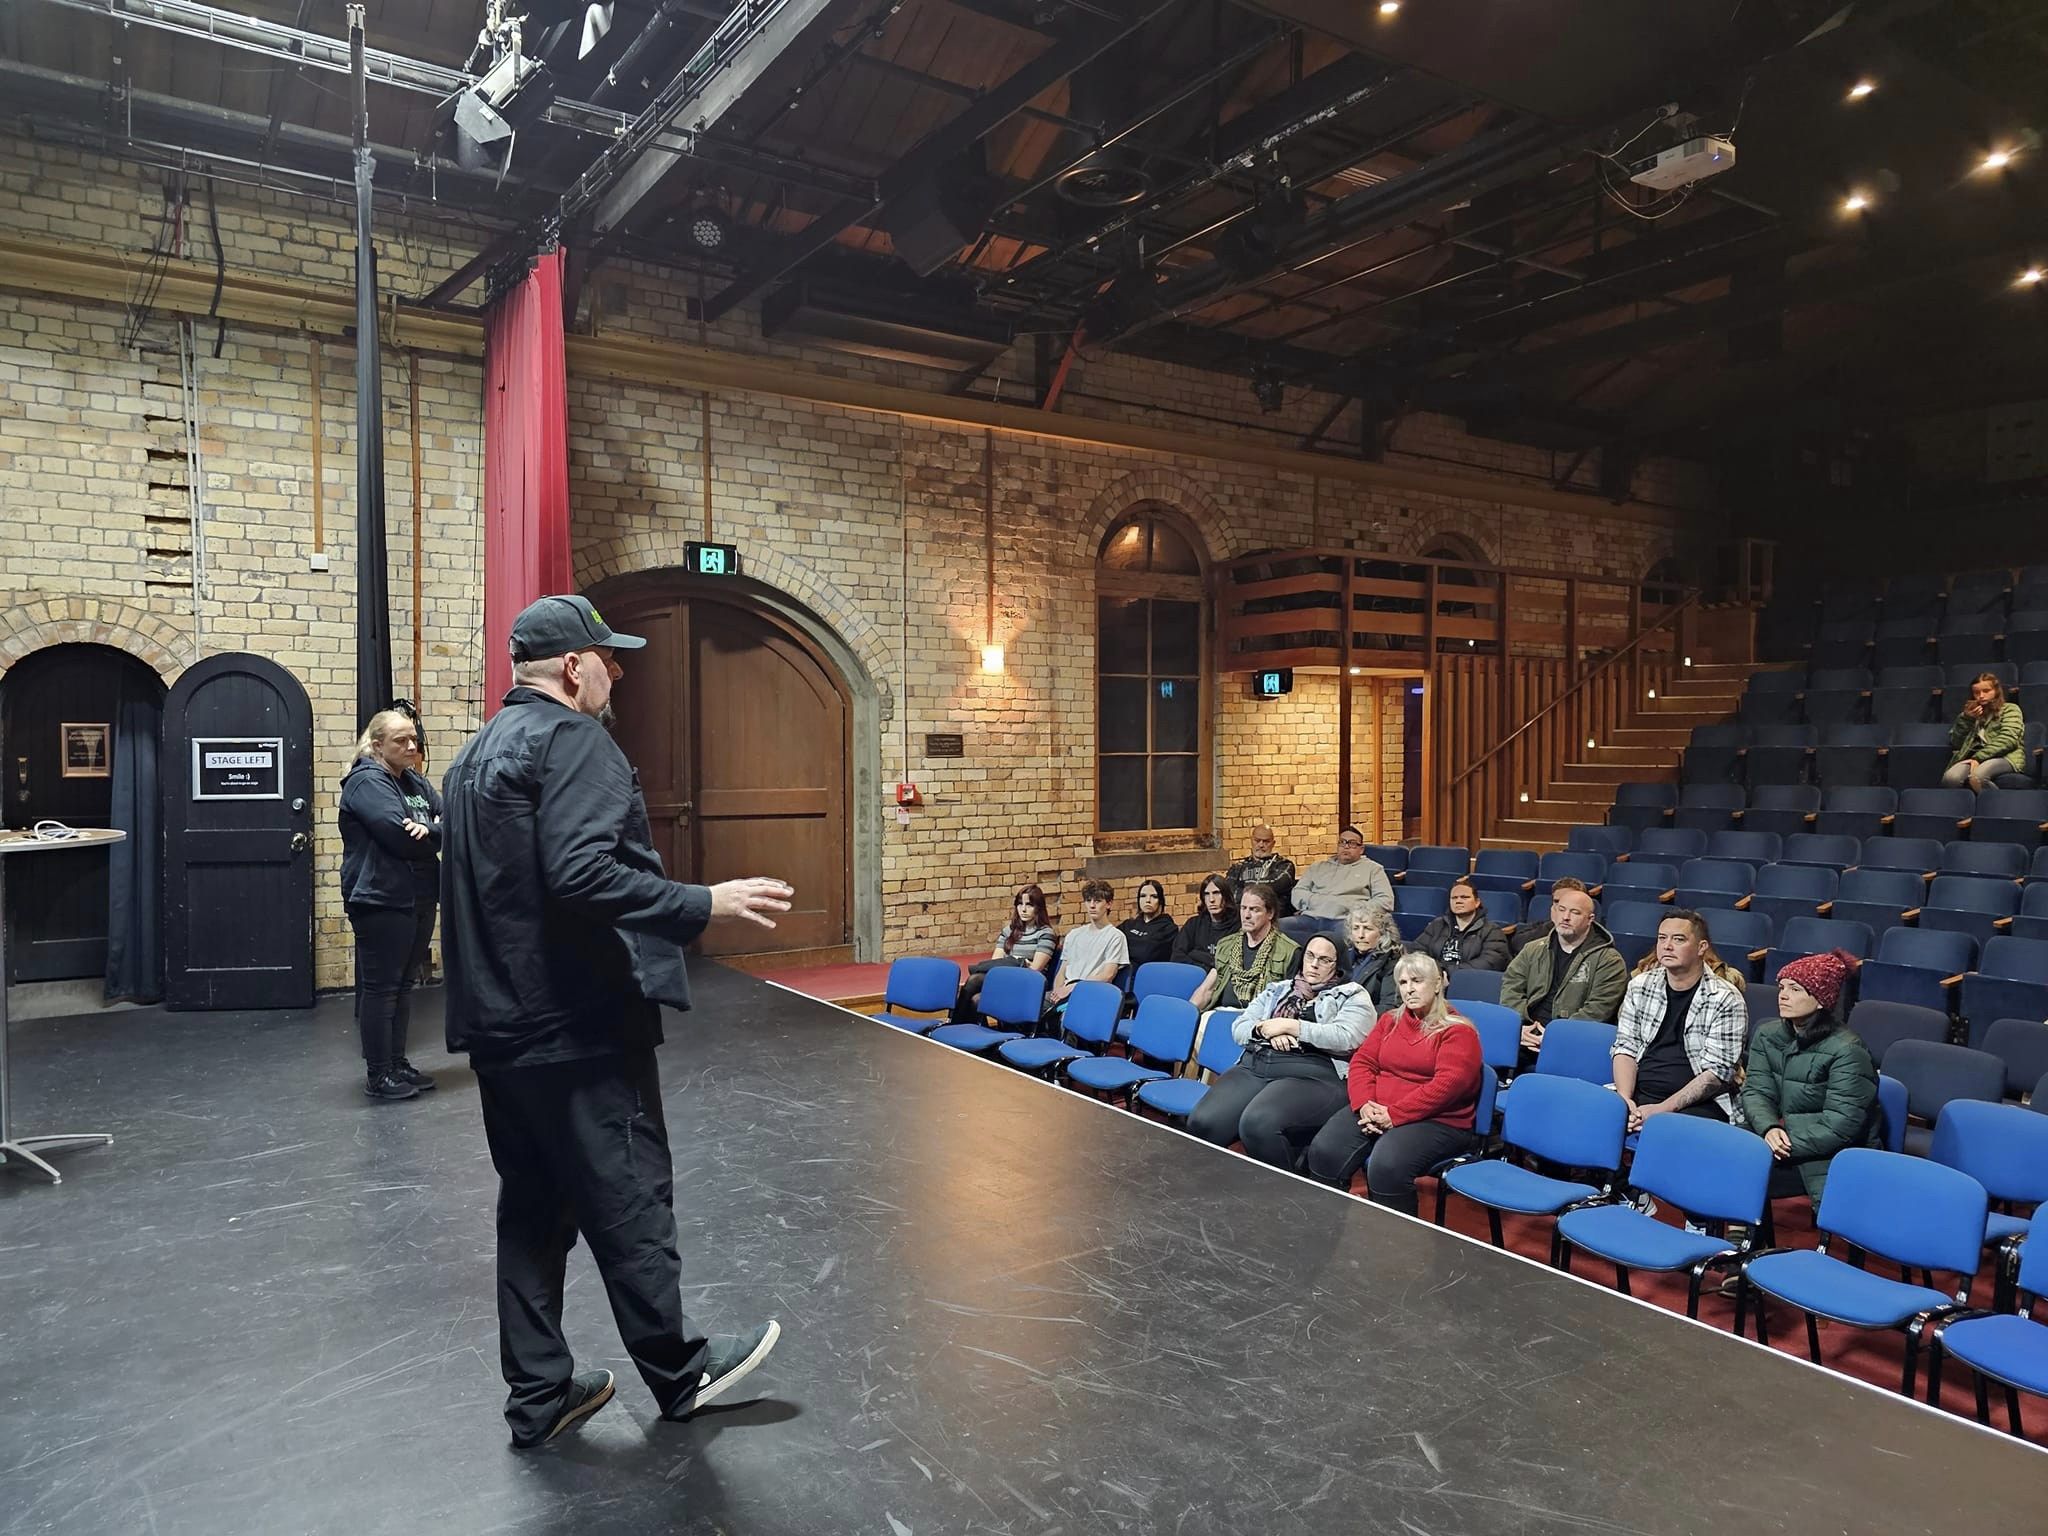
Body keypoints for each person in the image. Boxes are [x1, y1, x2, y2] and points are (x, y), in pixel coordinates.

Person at [440, 593, 795, 1450]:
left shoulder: (472, 755)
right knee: (629, 1196)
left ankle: (539, 1395)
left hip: (500, 1029)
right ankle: (681, 1372)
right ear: (573, 668)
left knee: (533, 1210)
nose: (619, 672)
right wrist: (702, 901)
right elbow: (581, 874)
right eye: (609, 658)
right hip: (579, 1025)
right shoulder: (574, 741)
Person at [1304, 952, 1484, 1211]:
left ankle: (1396, 1235)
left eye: (1417, 981)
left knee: (1387, 1166)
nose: (1409, 989)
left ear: (1437, 984)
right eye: (1403, 982)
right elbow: (1362, 1062)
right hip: (1377, 1108)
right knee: (1325, 1150)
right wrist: (1364, 1104)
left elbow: (1448, 1085)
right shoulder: (1390, 1020)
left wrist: (1394, 1115)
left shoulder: (1458, 1031)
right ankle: (1327, 1224)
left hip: (1438, 1120)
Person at [1186, 934, 1375, 1170]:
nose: (1314, 964)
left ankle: (1287, 1186)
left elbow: (1348, 1037)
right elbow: (1240, 1027)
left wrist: (1291, 1026)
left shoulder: (1352, 995)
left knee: (1258, 1123)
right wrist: (1266, 1030)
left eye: (1325, 960)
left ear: (1338, 966)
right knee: (1203, 1122)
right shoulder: (1279, 989)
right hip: (1256, 1064)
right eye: (1310, 956)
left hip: (1313, 1073)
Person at [338, 708, 441, 1101]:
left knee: (403, 984)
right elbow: (398, 838)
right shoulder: (366, 782)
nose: (412, 746)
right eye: (401, 740)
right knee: (382, 988)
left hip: (419, 894)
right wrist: (432, 833)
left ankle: (397, 1064)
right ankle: (379, 1075)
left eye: (414, 739)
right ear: (377, 745)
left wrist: (429, 830)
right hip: (380, 898)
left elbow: (453, 819)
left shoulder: (413, 781)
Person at [1740, 950, 1881, 1203]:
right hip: (1776, 1138)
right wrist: (1769, 1128)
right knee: (1718, 1155)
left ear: (1820, 1000)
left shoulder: (1848, 1050)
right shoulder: (1767, 1034)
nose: (1783, 995)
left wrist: (1784, 1143)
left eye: (1795, 989)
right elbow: (1756, 1091)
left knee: (1744, 1173)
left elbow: (1841, 1125)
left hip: (1825, 1155)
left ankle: (1747, 1227)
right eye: (1782, 987)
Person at [1610, 911, 1749, 1129]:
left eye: (1678, 939)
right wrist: (1625, 1101)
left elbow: (1716, 1074)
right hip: (1638, 1092)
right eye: (1662, 938)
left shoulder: (1726, 998)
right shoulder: (1640, 985)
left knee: (1665, 1131)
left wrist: (1661, 1110)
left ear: (1701, 947)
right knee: (1587, 1112)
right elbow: (1625, 1047)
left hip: (1699, 1103)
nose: (1667, 946)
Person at [1498, 880, 1627, 1064]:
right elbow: (1511, 987)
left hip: (1573, 1042)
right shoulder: (1533, 949)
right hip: (1526, 1033)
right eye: (1561, 909)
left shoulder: (1609, 961)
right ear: (1553, 912)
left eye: (1575, 912)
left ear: (1590, 919)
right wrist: (1518, 1027)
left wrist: (1555, 1035)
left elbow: (1597, 1010)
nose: (1566, 917)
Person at [949, 885, 1056, 1023]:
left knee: (974, 980)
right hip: (1006, 977)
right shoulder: (1009, 931)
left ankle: (954, 1023)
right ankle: (968, 1030)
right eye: (1020, 904)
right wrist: (1019, 961)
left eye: (1029, 905)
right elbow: (995, 962)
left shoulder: (1045, 933)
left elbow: (1035, 968)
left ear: (1038, 907)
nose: (1023, 909)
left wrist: (1015, 961)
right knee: (975, 998)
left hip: (1029, 983)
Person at [1191, 882, 1300, 1012]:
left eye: (1254, 910)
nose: (1246, 915)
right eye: (1243, 908)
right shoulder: (1226, 945)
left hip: (1259, 1018)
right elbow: (1206, 990)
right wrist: (1188, 1015)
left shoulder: (1289, 951)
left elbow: (1288, 1003)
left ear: (1270, 913)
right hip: (1221, 1013)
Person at [1279, 826, 1394, 943]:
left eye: (1352, 843)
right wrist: (1317, 902)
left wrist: (1353, 908)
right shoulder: (1318, 867)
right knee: (1275, 926)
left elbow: (1385, 900)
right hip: (1310, 918)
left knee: (1344, 936)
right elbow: (1298, 892)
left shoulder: (1373, 869)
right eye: (1342, 842)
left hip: (1345, 920)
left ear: (1361, 849)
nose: (1346, 846)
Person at [1043, 879, 1129, 1016]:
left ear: (1109, 904)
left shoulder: (1115, 937)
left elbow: (1107, 975)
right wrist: (1057, 992)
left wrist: (1072, 988)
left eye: (1098, 901)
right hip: (1065, 992)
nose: (1092, 905)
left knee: (1066, 1017)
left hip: (1090, 994)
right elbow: (1062, 971)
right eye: (1089, 901)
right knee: (1030, 1005)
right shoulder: (1074, 935)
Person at [1942, 671, 2027, 791]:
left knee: (1978, 776)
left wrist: (1978, 758)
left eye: (1986, 691)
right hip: (1973, 756)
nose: (1981, 696)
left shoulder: (2010, 709)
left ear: (1996, 691)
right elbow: (1957, 742)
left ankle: (1998, 801)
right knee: (1950, 778)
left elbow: (2009, 739)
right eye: (1976, 692)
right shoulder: (1968, 714)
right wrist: (1967, 720)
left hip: (2005, 756)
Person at [1412, 876, 1510, 973]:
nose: (1458, 901)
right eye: (1454, 898)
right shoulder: (1437, 925)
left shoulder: (1492, 930)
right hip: (1433, 977)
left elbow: (1490, 962)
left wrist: (1446, 972)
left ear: (1477, 902)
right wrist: (1433, 971)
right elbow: (1417, 950)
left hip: (1468, 979)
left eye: (1464, 897)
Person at [1342, 900, 1403, 1013]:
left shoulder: (1392, 962)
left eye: (1367, 928)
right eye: (1356, 928)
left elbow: (1389, 1007)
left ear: (1383, 932)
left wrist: (1354, 1016)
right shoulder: (1343, 957)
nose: (1360, 935)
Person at [1171, 873, 1239, 973]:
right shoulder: (1193, 924)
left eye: (1216, 893)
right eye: (1207, 894)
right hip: (1194, 977)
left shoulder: (1237, 926)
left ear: (1226, 896)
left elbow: (1230, 964)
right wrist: (1205, 967)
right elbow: (1177, 957)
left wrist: (1195, 954)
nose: (1211, 899)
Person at [1227, 825, 1297, 916]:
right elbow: (1229, 893)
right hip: (1240, 918)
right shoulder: (1237, 867)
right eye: (1257, 840)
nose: (1261, 845)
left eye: (1266, 841)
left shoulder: (1284, 865)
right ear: (1251, 841)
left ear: (1273, 843)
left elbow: (1276, 884)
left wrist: (1243, 884)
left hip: (1273, 918)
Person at [1119, 878, 1180, 970]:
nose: (1148, 900)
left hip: (1150, 975)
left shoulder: (1169, 929)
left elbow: (1146, 955)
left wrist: (1125, 951)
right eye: (1143, 896)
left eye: (1154, 896)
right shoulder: (1128, 925)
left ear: (1160, 901)